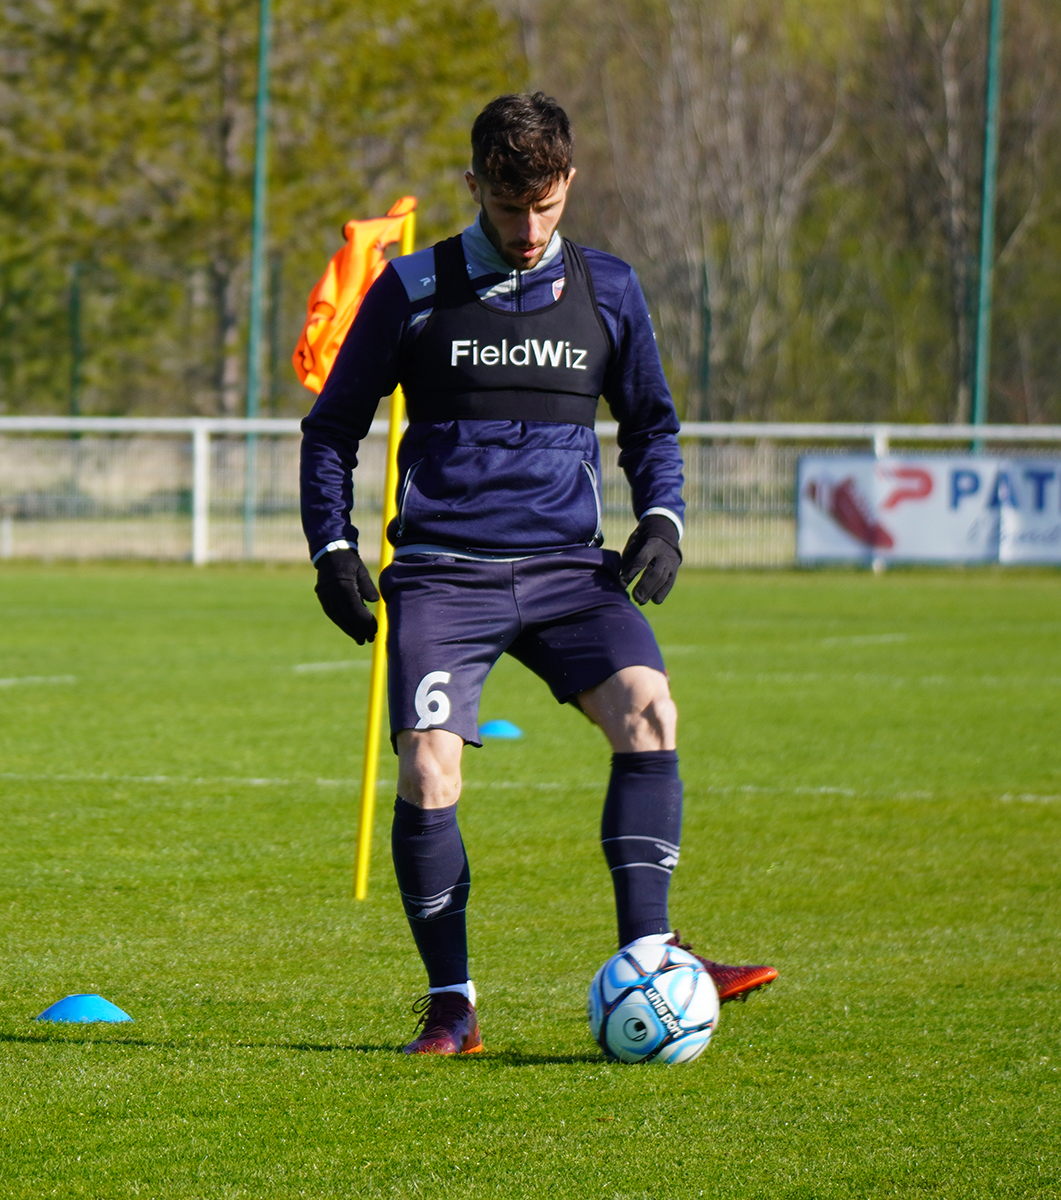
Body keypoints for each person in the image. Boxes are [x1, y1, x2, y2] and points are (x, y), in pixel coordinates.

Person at [300, 93, 777, 1056]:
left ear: (569, 185)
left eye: (547, 207)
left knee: (650, 708)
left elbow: (651, 424)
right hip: (442, 573)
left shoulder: (609, 290)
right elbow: (332, 431)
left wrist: (663, 520)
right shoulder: (413, 288)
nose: (529, 231)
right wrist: (333, 548)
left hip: (568, 569)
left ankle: (652, 953)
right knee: (429, 769)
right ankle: (452, 1007)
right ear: (475, 184)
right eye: (511, 207)